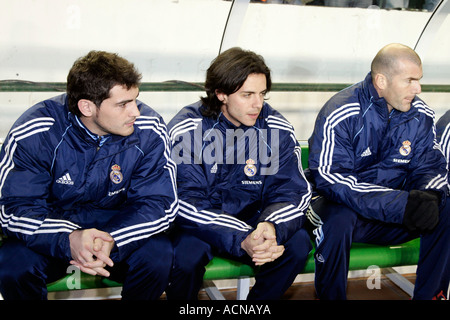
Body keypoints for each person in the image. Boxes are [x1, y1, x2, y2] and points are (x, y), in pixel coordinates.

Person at [0, 51, 178, 300]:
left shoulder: (149, 128)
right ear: (86, 106)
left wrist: (113, 239)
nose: (135, 112)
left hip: (116, 231)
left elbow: (160, 203)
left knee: (158, 255)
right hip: (54, 232)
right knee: (13, 263)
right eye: (123, 104)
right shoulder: (36, 131)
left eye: (135, 99)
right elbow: (14, 209)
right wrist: (68, 238)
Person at [165, 47, 312, 300]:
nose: (258, 104)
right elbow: (185, 202)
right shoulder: (188, 129)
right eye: (247, 95)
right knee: (186, 256)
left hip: (254, 220)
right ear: (221, 93)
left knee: (297, 245)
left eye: (262, 94)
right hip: (201, 225)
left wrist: (271, 226)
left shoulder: (275, 128)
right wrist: (241, 237)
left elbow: (293, 192)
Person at [307, 43, 450, 300]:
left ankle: (431, 295)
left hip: (393, 215)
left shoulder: (421, 113)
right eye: (410, 80)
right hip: (342, 212)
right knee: (339, 218)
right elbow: (331, 180)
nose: (417, 89)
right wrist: (402, 204)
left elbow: (430, 165)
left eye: (418, 80)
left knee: (445, 205)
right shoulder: (341, 111)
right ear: (381, 80)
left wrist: (429, 195)